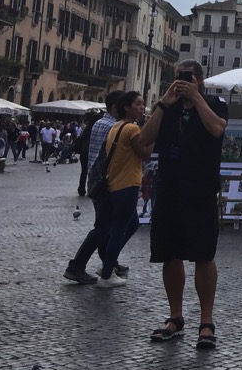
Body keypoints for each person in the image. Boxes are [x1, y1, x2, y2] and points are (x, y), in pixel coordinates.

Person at [138, 60, 227, 350]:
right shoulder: (168, 107)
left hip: (200, 191)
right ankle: (175, 318)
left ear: (200, 79)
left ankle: (206, 322)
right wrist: (163, 102)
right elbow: (144, 140)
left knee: (203, 254)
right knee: (169, 254)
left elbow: (217, 129)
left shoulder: (214, 103)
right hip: (169, 190)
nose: (182, 82)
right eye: (178, 78)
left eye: (187, 78)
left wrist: (197, 97)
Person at [96, 91, 154, 287]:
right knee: (120, 230)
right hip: (127, 184)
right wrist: (152, 133)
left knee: (132, 225)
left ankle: (108, 264)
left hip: (114, 184)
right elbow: (145, 153)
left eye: (143, 104)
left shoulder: (116, 126)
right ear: (127, 107)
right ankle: (106, 275)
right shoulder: (132, 129)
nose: (142, 107)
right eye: (138, 104)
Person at [64, 92, 123, 285]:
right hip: (105, 182)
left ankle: (109, 262)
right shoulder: (112, 127)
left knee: (105, 226)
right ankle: (76, 266)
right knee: (103, 227)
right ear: (115, 106)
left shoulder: (99, 123)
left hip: (96, 180)